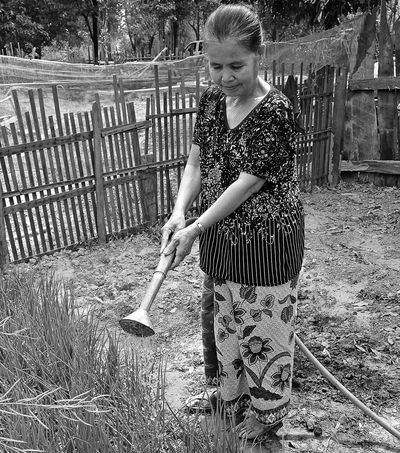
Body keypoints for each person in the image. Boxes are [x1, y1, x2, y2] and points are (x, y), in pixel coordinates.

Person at [160, 3, 305, 440]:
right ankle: (229, 397)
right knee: (227, 327)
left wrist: (196, 227)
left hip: (266, 243)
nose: (224, 77)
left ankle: (266, 415)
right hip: (219, 236)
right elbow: (196, 163)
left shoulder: (275, 112)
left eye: (236, 65)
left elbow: (246, 183)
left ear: (260, 55)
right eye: (215, 66)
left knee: (265, 330)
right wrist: (179, 211)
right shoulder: (211, 101)